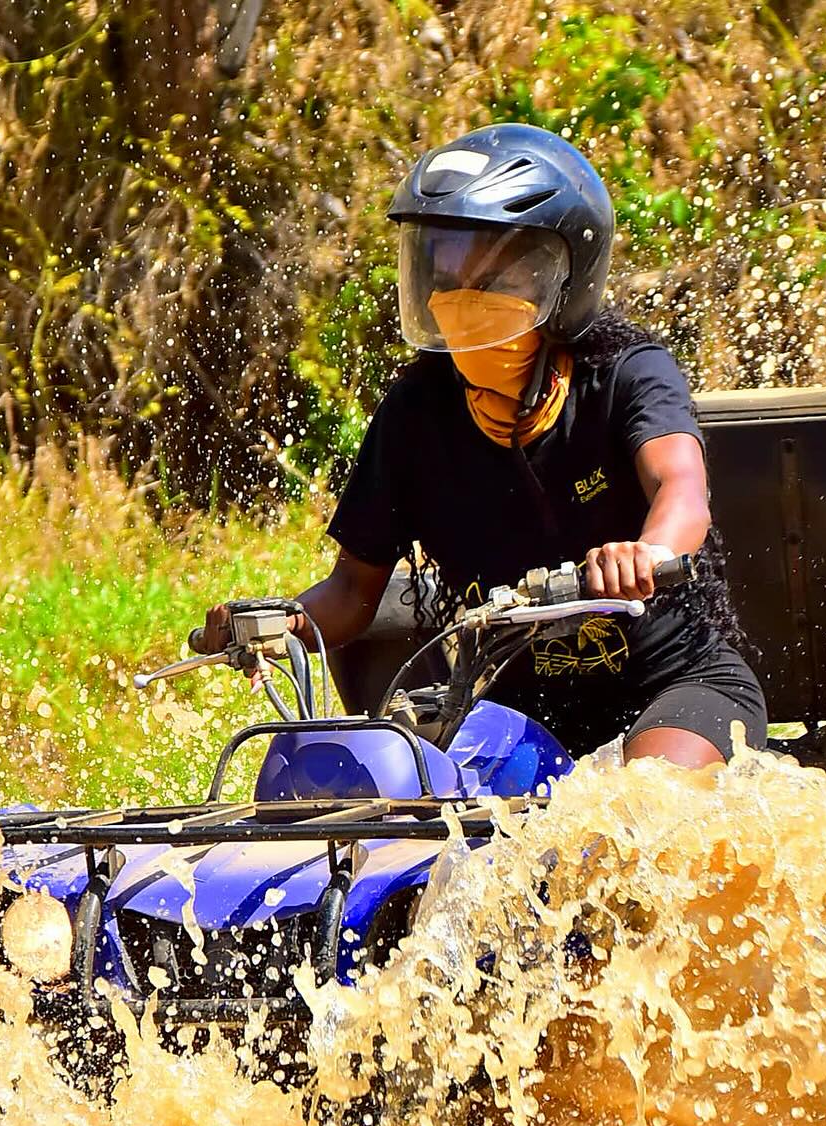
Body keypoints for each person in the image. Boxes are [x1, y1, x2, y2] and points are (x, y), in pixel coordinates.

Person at [199, 123, 766, 767]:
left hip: (672, 688)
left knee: (641, 806)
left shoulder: (627, 372)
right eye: (445, 270)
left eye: (497, 276)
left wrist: (646, 553)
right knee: (380, 803)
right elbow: (354, 591)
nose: (463, 298)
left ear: (566, 280)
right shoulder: (414, 414)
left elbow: (681, 488)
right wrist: (279, 625)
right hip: (512, 710)